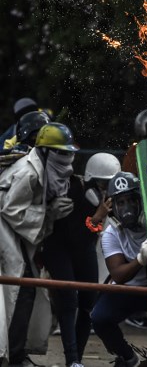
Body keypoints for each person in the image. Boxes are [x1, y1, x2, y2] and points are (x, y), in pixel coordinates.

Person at [0, 122, 78, 366]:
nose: (66, 159)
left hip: (16, 235)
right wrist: (49, 214)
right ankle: (13, 356)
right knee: (20, 291)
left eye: (68, 153)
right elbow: (11, 209)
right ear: (44, 151)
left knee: (27, 290)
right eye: (60, 152)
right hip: (4, 231)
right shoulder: (29, 171)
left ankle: (18, 351)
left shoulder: (46, 168)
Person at [91, 172, 147, 367]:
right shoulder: (111, 233)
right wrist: (140, 259)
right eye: (120, 203)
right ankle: (129, 358)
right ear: (113, 206)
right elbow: (118, 274)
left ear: (140, 199)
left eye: (131, 200)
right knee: (99, 318)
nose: (126, 208)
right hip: (128, 289)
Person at [41, 152, 120, 367]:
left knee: (88, 304)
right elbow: (75, 234)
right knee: (68, 303)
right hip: (59, 249)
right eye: (102, 184)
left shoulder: (104, 201)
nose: (105, 190)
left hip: (83, 249)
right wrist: (97, 217)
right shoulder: (73, 191)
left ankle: (78, 358)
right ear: (91, 179)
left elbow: (88, 238)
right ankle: (72, 359)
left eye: (108, 185)